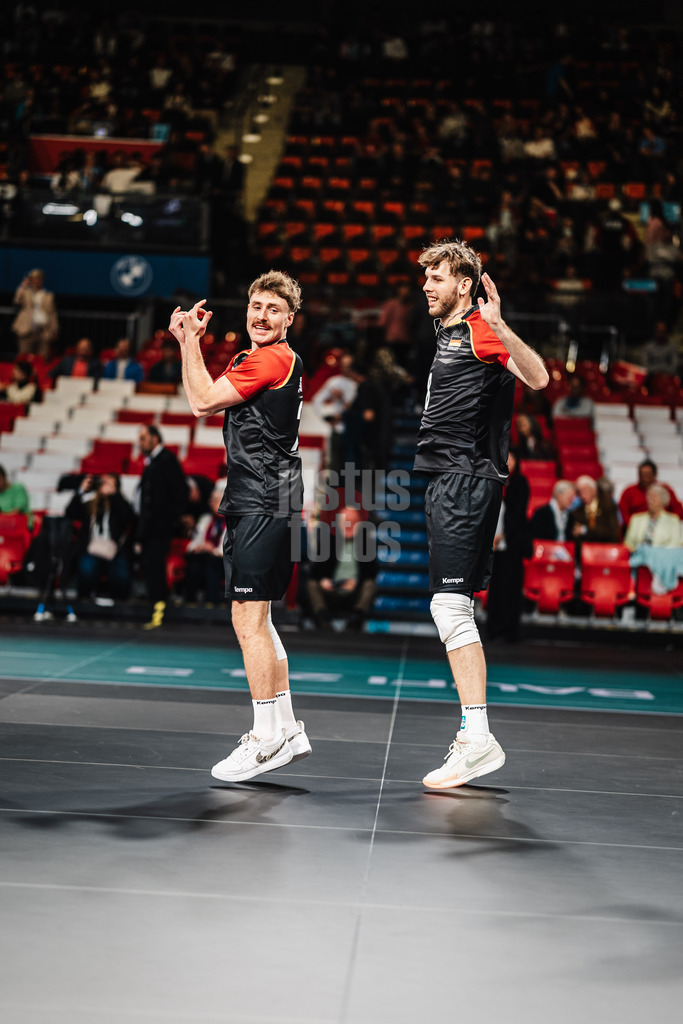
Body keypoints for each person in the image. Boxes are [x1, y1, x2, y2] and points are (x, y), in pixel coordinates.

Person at [414, 239, 549, 789]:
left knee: (450, 608)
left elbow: (538, 377)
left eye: (437, 277)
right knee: (453, 607)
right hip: (450, 481)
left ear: (464, 285)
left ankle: (476, 737)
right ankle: (475, 733)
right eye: (426, 277)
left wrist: (500, 323)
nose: (427, 285)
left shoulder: (477, 327)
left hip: (468, 480)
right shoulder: (449, 332)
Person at [168, 270, 311, 783]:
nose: (261, 315)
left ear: (289, 319)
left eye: (274, 309)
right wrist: (196, 348)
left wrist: (187, 341)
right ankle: (287, 728)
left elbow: (202, 401)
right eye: (256, 306)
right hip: (272, 499)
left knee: (247, 621)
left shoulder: (270, 358)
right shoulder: (266, 360)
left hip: (261, 501)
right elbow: (206, 401)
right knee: (262, 619)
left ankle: (265, 736)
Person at [135, 424, 188, 629]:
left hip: (159, 529)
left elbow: (180, 492)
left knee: (156, 569)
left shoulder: (166, 461)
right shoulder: (154, 462)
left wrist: (169, 520)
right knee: (150, 569)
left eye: (143, 438)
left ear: (155, 438)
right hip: (150, 528)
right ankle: (155, 609)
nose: (140, 443)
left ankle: (159, 612)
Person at [306, 506, 378, 632]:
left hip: (354, 591)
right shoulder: (328, 541)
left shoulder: (366, 543)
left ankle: (355, 621)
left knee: (370, 585)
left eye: (353, 521)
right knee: (312, 585)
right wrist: (324, 581)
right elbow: (315, 571)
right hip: (332, 590)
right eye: (345, 521)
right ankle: (322, 621)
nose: (349, 525)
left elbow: (372, 573)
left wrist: (356, 582)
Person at [485, 451, 531, 644]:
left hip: (512, 545)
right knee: (495, 589)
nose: (507, 461)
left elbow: (517, 513)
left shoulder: (519, 483)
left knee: (510, 590)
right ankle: (493, 629)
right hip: (494, 546)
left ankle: (509, 631)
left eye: (511, 458)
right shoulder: (491, 480)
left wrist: (503, 535)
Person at [66, 473, 135, 600]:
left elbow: (129, 516)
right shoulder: (90, 503)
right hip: (92, 549)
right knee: (86, 567)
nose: (105, 486)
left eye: (110, 483)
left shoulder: (119, 505)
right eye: (104, 483)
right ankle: (84, 601)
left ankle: (119, 604)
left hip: (115, 551)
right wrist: (81, 490)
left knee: (122, 574)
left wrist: (114, 494)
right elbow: (70, 512)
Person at [183, 486, 227, 605]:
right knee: (194, 565)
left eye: (215, 500)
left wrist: (213, 550)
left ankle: (212, 602)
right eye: (211, 500)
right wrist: (198, 547)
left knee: (212, 565)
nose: (210, 503)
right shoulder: (205, 519)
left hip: (224, 559)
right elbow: (195, 541)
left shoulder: (233, 522)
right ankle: (189, 601)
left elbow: (231, 549)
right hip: (205, 555)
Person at [618, 459, 683, 527]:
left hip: (662, 529)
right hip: (635, 529)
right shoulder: (629, 492)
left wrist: (667, 524)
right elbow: (623, 515)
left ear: (654, 475)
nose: (644, 478)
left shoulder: (665, 491)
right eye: (641, 475)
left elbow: (678, 512)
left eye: (647, 475)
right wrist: (637, 526)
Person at [11, 269, 59, 357]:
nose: (37, 281)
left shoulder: (48, 295)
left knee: (42, 358)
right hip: (26, 329)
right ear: (31, 280)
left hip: (43, 331)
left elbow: (52, 314)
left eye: (39, 279)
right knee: (24, 357)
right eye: (35, 279)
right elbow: (16, 301)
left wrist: (54, 330)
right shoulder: (25, 292)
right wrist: (23, 286)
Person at [623, 484, 682, 552]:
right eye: (648, 496)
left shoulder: (673, 520)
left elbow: (675, 546)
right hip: (638, 558)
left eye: (654, 497)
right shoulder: (636, 519)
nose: (650, 500)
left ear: (663, 500)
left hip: (663, 559)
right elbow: (627, 544)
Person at [568, 475, 621, 546]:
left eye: (585, 490)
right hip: (586, 551)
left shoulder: (608, 506)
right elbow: (575, 536)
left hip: (607, 548)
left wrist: (585, 530)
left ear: (594, 490)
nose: (583, 495)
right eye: (579, 492)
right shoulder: (576, 512)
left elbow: (611, 531)